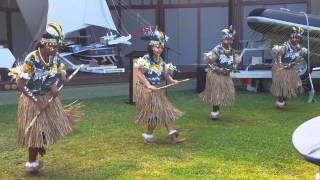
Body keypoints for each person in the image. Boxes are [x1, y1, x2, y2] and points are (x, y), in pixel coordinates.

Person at [9, 23, 81, 173]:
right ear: (43, 43)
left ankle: (40, 143)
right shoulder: (32, 59)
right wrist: (36, 102)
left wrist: (54, 85)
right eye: (52, 46)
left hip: (47, 98)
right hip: (32, 100)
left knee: (48, 129)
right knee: (35, 133)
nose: (55, 50)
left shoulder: (53, 58)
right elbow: (20, 83)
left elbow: (54, 75)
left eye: (57, 47)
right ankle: (32, 164)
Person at [135, 29, 185, 144]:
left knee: (161, 111)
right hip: (148, 91)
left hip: (157, 89)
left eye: (161, 47)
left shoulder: (160, 60)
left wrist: (172, 80)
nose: (160, 49)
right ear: (151, 47)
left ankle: (152, 135)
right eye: (157, 47)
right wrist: (148, 85)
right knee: (160, 111)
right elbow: (139, 74)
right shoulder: (146, 59)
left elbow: (165, 73)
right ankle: (169, 135)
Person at [200, 26, 240, 120]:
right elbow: (209, 62)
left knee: (225, 93)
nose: (229, 41)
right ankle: (215, 112)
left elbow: (234, 62)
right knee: (216, 93)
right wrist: (216, 69)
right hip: (216, 75)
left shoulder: (232, 51)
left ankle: (216, 111)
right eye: (227, 39)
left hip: (225, 76)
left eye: (231, 39)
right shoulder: (217, 49)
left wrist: (234, 67)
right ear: (223, 39)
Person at [271, 26, 307, 109]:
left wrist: (299, 57)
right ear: (290, 37)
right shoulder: (284, 47)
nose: (296, 40)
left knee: (296, 86)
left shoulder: (298, 47)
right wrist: (284, 67)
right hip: (280, 68)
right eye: (294, 37)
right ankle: (280, 102)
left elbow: (297, 59)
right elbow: (278, 60)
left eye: (298, 38)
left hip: (289, 68)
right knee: (283, 87)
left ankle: (282, 101)